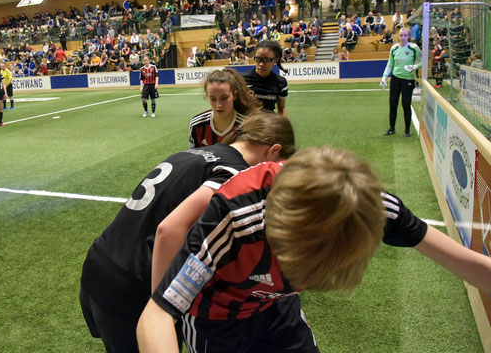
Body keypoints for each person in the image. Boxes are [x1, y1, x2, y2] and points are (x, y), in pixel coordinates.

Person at [137, 145, 491, 353]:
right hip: (217, 319)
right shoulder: (234, 216)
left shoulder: (365, 205)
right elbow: (158, 313)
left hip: (277, 306)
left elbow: (466, 263)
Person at [80, 111, 297, 353]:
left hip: (99, 263)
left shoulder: (195, 153)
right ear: (274, 151)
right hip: (132, 283)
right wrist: (162, 310)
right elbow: (169, 230)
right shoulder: (234, 173)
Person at [189, 69, 261, 148]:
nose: (218, 105)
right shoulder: (197, 125)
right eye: (213, 99)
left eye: (224, 98)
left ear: (234, 95)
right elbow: (195, 157)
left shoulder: (247, 126)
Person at [380, 27, 422, 137]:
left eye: (405, 35)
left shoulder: (414, 48)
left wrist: (414, 67)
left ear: (408, 36)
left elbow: (423, 61)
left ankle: (407, 129)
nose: (402, 38)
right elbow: (390, 64)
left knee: (406, 104)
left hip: (408, 80)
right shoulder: (394, 48)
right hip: (395, 79)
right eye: (401, 35)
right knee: (393, 104)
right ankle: (392, 128)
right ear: (398, 36)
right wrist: (384, 77)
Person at [242, 40, 289, 116]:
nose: (261, 64)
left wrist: (282, 125)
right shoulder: (242, 79)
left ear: (275, 60)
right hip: (246, 124)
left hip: (268, 125)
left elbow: (281, 109)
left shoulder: (281, 83)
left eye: (266, 60)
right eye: (258, 59)